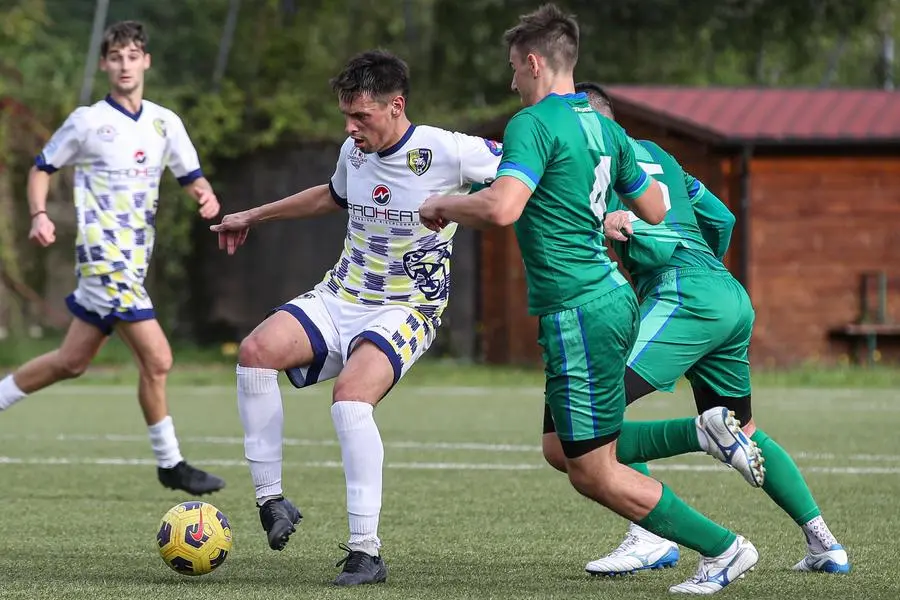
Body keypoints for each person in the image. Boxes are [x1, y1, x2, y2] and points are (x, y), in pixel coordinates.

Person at [419, 4, 764, 594]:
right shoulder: (607, 128)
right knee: (560, 447)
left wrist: (442, 205)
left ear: (533, 63)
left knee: (592, 470)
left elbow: (503, 208)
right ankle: (701, 436)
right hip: (609, 295)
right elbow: (656, 208)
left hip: (577, 307)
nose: (511, 82)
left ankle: (724, 547)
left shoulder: (533, 123)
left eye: (512, 69)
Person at [210, 49, 502, 586]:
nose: (350, 128)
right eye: (345, 115)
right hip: (340, 295)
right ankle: (270, 500)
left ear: (396, 105)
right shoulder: (355, 150)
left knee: (350, 397)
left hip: (409, 307)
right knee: (255, 352)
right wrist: (255, 213)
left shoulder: (451, 151)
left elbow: (529, 173)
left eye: (360, 116)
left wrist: (602, 213)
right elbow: (332, 196)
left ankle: (366, 551)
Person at [541, 81, 849, 576]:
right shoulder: (660, 155)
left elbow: (641, 237)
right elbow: (720, 218)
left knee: (585, 422)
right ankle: (824, 542)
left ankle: (649, 535)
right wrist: (702, 267)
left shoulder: (593, 161)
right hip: (725, 294)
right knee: (743, 428)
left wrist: (650, 254)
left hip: (681, 294)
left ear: (591, 124)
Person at [0, 21, 225, 496]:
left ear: (146, 62)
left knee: (71, 361)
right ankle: (171, 463)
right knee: (159, 358)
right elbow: (41, 169)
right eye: (116, 57)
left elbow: (193, 178)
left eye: (133, 55)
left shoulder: (166, 122)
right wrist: (39, 214)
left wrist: (205, 197)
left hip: (134, 259)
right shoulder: (85, 122)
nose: (125, 65)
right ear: (104, 63)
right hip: (103, 259)